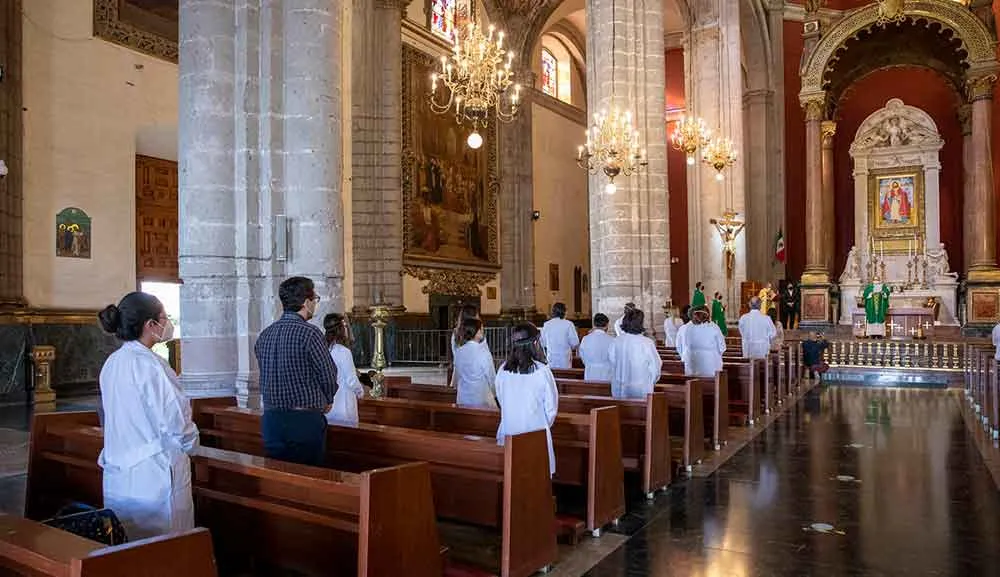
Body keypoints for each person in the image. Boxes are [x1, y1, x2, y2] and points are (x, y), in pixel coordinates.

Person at [97, 292, 199, 539]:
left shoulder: (112, 362)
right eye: (164, 318)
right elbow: (178, 422)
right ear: (149, 325)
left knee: (129, 546)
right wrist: (192, 445)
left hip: (120, 470)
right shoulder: (152, 366)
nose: (168, 324)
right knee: (167, 546)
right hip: (156, 474)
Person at [254, 277, 338, 466]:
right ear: (306, 302)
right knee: (309, 481)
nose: (315, 305)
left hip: (271, 420)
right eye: (315, 299)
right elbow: (328, 374)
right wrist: (328, 399)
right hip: (304, 422)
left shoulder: (265, 335)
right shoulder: (310, 334)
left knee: (280, 480)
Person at [495, 323, 559, 477]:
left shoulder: (503, 370)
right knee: (536, 478)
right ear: (535, 343)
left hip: (510, 430)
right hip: (535, 433)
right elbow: (551, 408)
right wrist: (540, 422)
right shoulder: (542, 371)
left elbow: (501, 400)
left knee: (513, 477)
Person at [608, 307, 663, 399]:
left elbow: (612, 362)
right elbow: (655, 366)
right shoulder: (646, 342)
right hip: (640, 387)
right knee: (641, 412)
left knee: (619, 412)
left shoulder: (616, 341)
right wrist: (650, 381)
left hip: (620, 386)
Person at [323, 313, 366, 427]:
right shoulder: (343, 352)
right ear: (341, 329)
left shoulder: (323, 350)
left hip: (328, 407)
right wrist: (361, 392)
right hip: (344, 406)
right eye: (345, 326)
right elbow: (351, 380)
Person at [453, 317, 498, 408]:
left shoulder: (459, 351)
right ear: (476, 332)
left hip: (463, 399)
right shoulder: (483, 352)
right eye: (481, 329)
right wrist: (496, 395)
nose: (482, 331)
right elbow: (491, 376)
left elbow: (458, 375)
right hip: (480, 400)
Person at [679, 306, 726, 377]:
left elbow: (679, 347)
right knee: (711, 385)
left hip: (691, 362)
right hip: (711, 363)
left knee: (692, 384)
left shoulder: (685, 327)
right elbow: (722, 347)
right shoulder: (714, 327)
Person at [541, 302, 579, 369]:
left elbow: (543, 343)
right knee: (565, 377)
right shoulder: (568, 324)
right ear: (564, 312)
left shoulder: (546, 324)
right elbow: (575, 343)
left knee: (553, 378)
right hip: (564, 360)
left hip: (551, 359)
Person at [579, 313, 615, 382]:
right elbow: (614, 359)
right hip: (606, 375)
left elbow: (582, 356)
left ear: (594, 324)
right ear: (606, 325)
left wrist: (590, 364)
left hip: (590, 373)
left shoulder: (585, 339)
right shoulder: (611, 340)